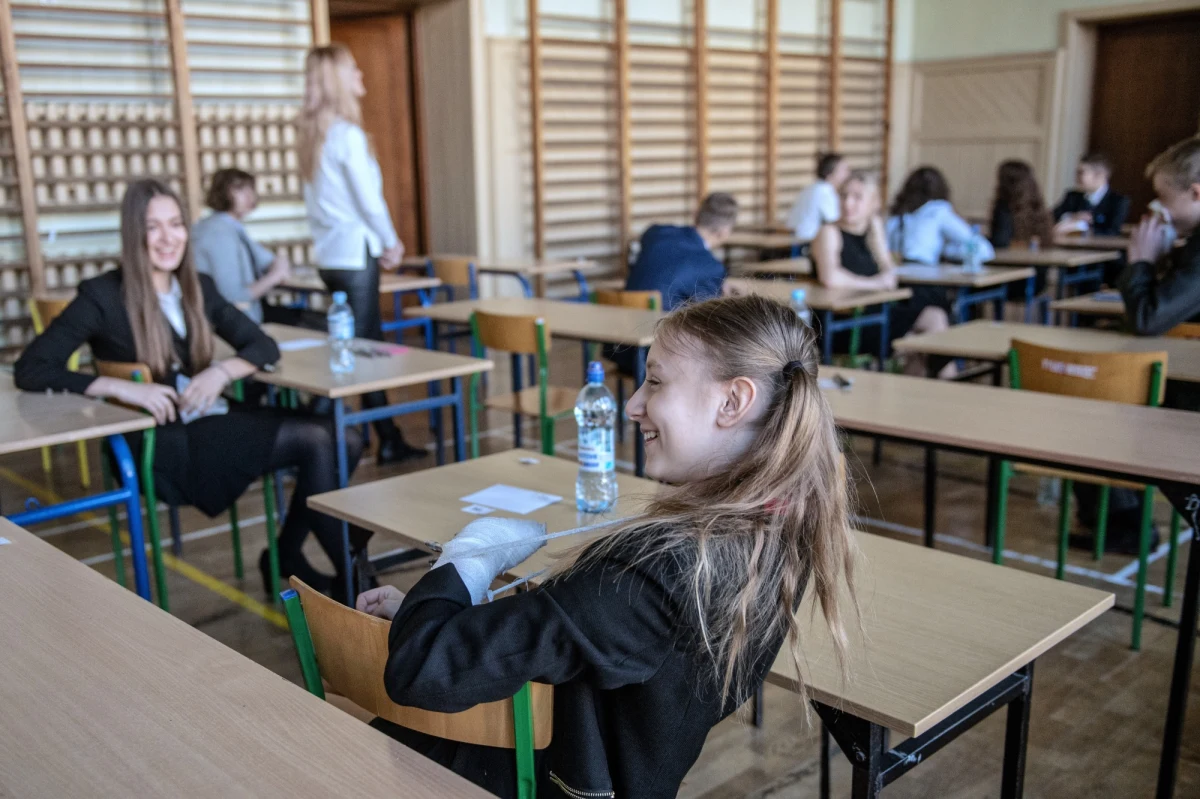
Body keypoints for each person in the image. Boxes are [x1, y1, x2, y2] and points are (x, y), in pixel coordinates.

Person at [355, 294, 857, 798]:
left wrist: (467, 561)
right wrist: (449, 616)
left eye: (656, 382)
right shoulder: (779, 531)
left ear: (732, 402)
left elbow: (420, 669)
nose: (633, 404)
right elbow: (571, 642)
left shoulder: (650, 576)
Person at [14, 179, 367, 596]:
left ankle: (290, 556)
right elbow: (31, 368)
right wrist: (121, 387)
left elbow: (262, 345)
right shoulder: (104, 296)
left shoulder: (196, 286)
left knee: (346, 438)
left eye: (176, 224)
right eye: (153, 227)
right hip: (163, 442)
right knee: (315, 440)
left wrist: (221, 372)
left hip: (207, 416)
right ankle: (356, 586)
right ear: (134, 235)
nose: (168, 238)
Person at [299, 44, 423, 464]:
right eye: (355, 70)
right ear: (339, 79)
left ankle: (387, 436)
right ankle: (312, 435)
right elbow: (368, 202)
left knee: (357, 346)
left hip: (330, 257)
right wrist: (390, 241)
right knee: (361, 351)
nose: (362, 78)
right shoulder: (346, 135)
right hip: (355, 256)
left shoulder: (313, 134)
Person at [812, 171, 947, 356]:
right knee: (925, 346)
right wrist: (875, 284)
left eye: (857, 197)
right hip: (846, 322)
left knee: (935, 319)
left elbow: (889, 274)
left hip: (875, 314)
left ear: (873, 203)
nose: (848, 203)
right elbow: (830, 277)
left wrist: (878, 241)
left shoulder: (873, 230)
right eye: (844, 196)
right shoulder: (829, 232)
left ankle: (931, 378)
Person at [192, 168, 292, 325]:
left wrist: (278, 268)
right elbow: (234, 296)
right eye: (239, 189)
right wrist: (274, 277)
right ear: (221, 193)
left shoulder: (231, 227)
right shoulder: (217, 233)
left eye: (250, 188)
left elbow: (271, 260)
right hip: (230, 325)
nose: (249, 195)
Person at [624, 192, 738, 310]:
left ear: (695, 215)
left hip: (622, 313)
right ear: (724, 232)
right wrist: (721, 293)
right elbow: (707, 313)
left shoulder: (655, 232)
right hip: (661, 324)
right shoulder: (712, 268)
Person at [886, 165, 995, 266]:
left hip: (896, 274)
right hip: (924, 277)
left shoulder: (898, 214)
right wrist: (948, 250)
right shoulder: (937, 210)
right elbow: (983, 250)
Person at [989, 160, 1053, 303]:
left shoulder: (1004, 208)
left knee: (970, 289)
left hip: (1012, 279)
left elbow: (1000, 242)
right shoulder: (1038, 205)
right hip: (1038, 279)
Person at [1053, 153, 1130, 237]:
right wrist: (1072, 216)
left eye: (1081, 172)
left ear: (1100, 175)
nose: (1077, 177)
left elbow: (1113, 232)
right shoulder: (1072, 197)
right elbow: (1050, 217)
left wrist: (1082, 228)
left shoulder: (1118, 201)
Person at [787, 152, 851, 241]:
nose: (848, 174)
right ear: (830, 174)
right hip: (807, 242)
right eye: (844, 170)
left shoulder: (811, 188)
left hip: (796, 238)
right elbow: (835, 221)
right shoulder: (824, 192)